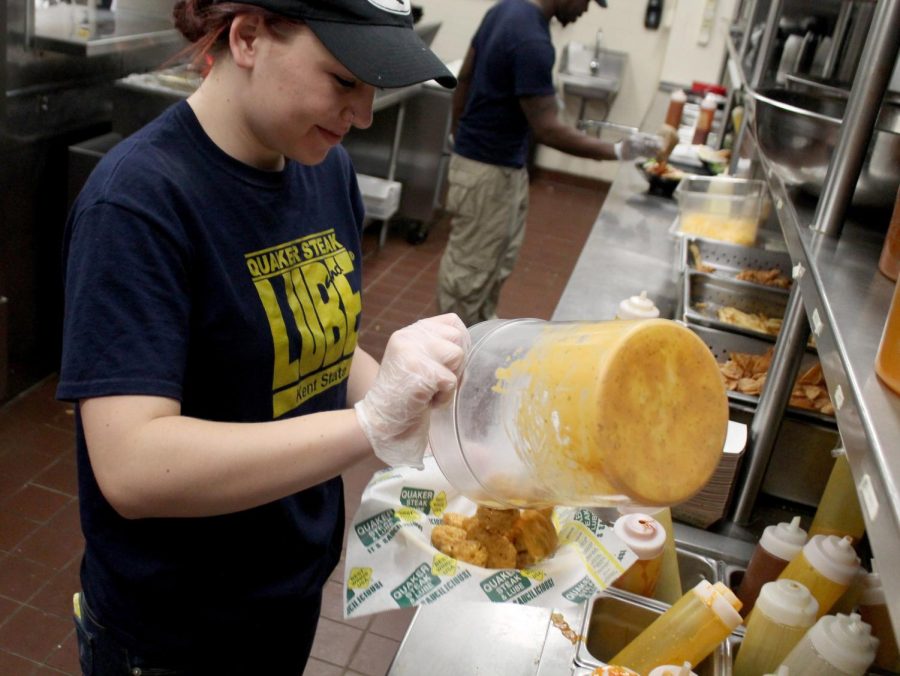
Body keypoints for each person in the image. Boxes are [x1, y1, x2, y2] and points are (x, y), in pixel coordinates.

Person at [57, 1, 468, 674]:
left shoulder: (320, 165)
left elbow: (318, 348)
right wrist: (371, 423)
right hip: (175, 632)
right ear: (248, 36)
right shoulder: (139, 202)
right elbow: (133, 465)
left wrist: (436, 413)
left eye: (373, 88)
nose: (362, 113)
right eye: (343, 81)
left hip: (286, 591)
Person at [436, 0, 665, 326]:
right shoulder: (532, 39)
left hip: (493, 166)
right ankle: (449, 359)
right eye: (587, 0)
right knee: (468, 277)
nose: (586, 9)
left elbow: (465, 76)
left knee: (493, 266)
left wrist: (459, 133)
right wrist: (617, 151)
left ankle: (475, 341)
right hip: (489, 172)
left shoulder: (505, 10)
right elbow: (547, 129)